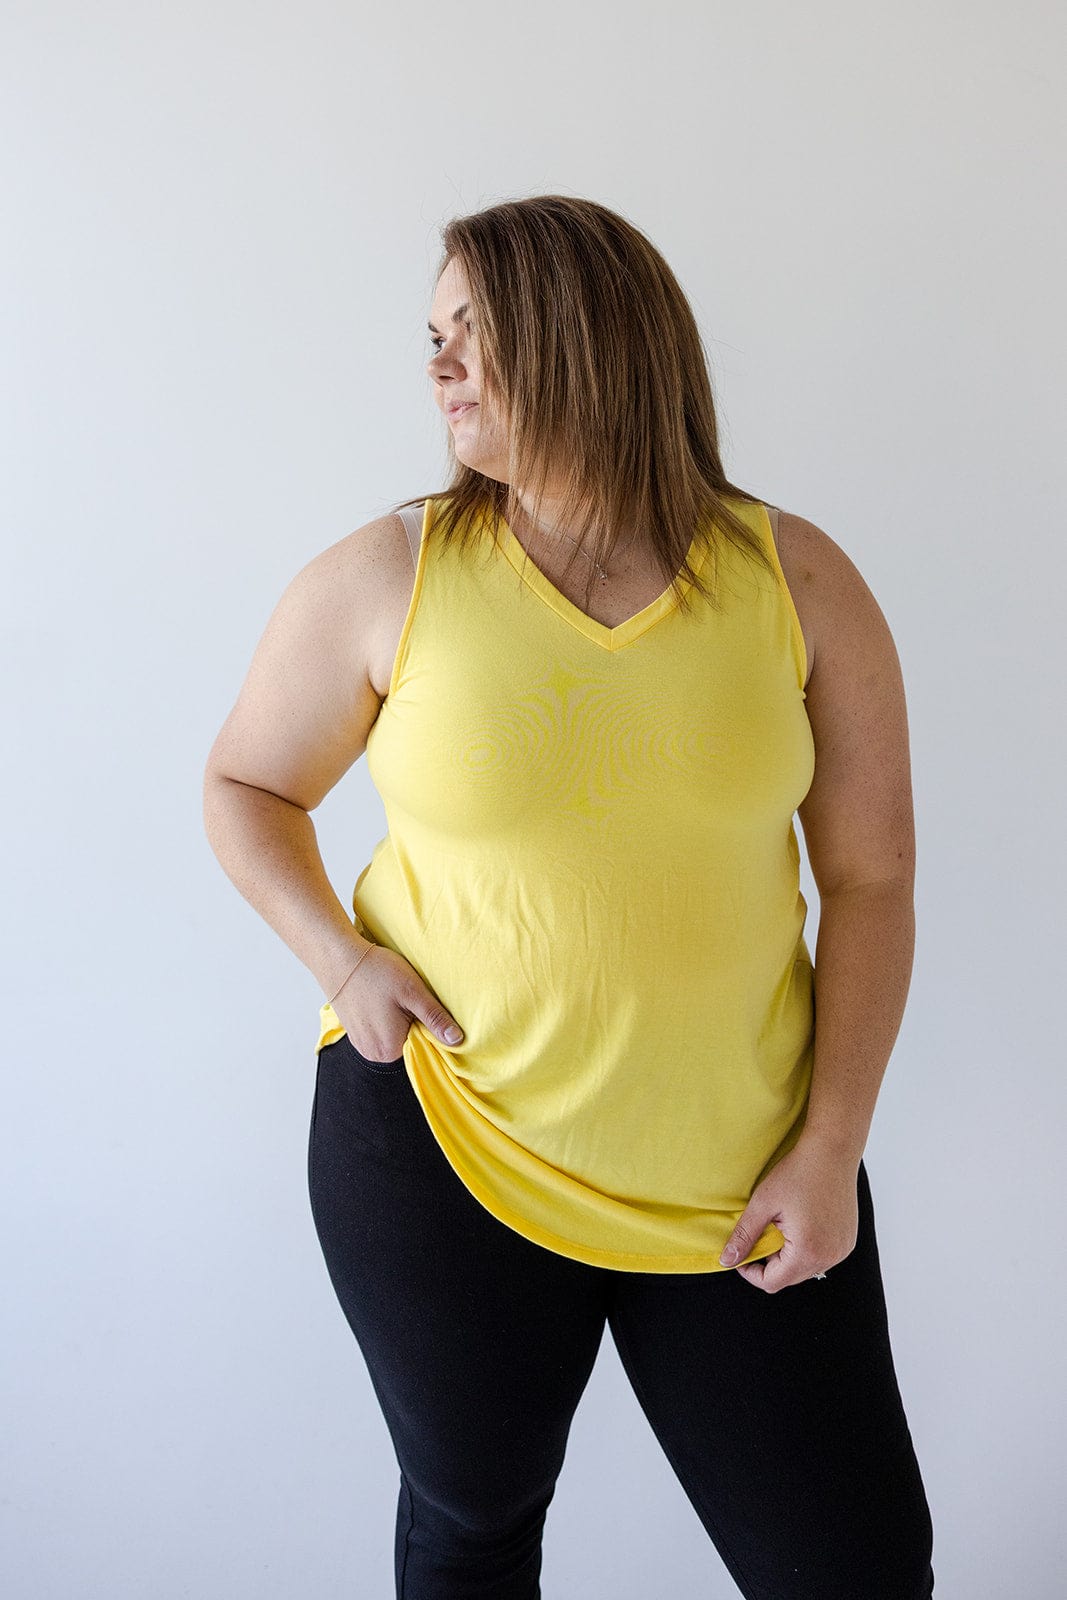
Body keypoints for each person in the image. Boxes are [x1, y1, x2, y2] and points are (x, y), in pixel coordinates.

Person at [203, 194, 935, 1599]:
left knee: (849, 1565)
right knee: (474, 1523)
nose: (439, 365)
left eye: (472, 330)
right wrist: (343, 969)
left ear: (592, 334)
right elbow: (244, 785)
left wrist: (834, 1144)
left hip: (746, 1181)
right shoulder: (392, 574)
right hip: (447, 1152)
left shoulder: (797, 581)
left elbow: (873, 874)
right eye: (430, 335)